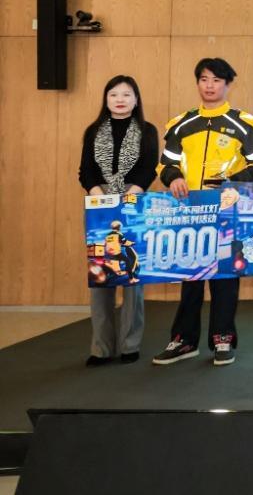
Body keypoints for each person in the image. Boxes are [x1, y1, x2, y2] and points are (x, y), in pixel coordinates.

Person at [155, 59, 253, 366]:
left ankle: (223, 338)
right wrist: (173, 178)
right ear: (198, 83)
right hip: (189, 211)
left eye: (217, 80)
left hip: (227, 210)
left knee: (225, 277)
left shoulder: (245, 123)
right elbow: (165, 164)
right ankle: (183, 340)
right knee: (190, 276)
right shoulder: (181, 123)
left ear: (228, 85)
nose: (210, 85)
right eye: (204, 79)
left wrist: (235, 182)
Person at [79, 75, 159, 366]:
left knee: (132, 277)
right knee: (101, 276)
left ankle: (130, 345)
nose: (120, 99)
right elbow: (85, 171)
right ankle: (100, 348)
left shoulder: (147, 130)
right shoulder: (93, 131)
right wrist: (101, 197)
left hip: (133, 203)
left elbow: (149, 168)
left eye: (126, 94)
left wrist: (127, 197)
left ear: (136, 100)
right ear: (106, 99)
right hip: (99, 204)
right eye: (114, 94)